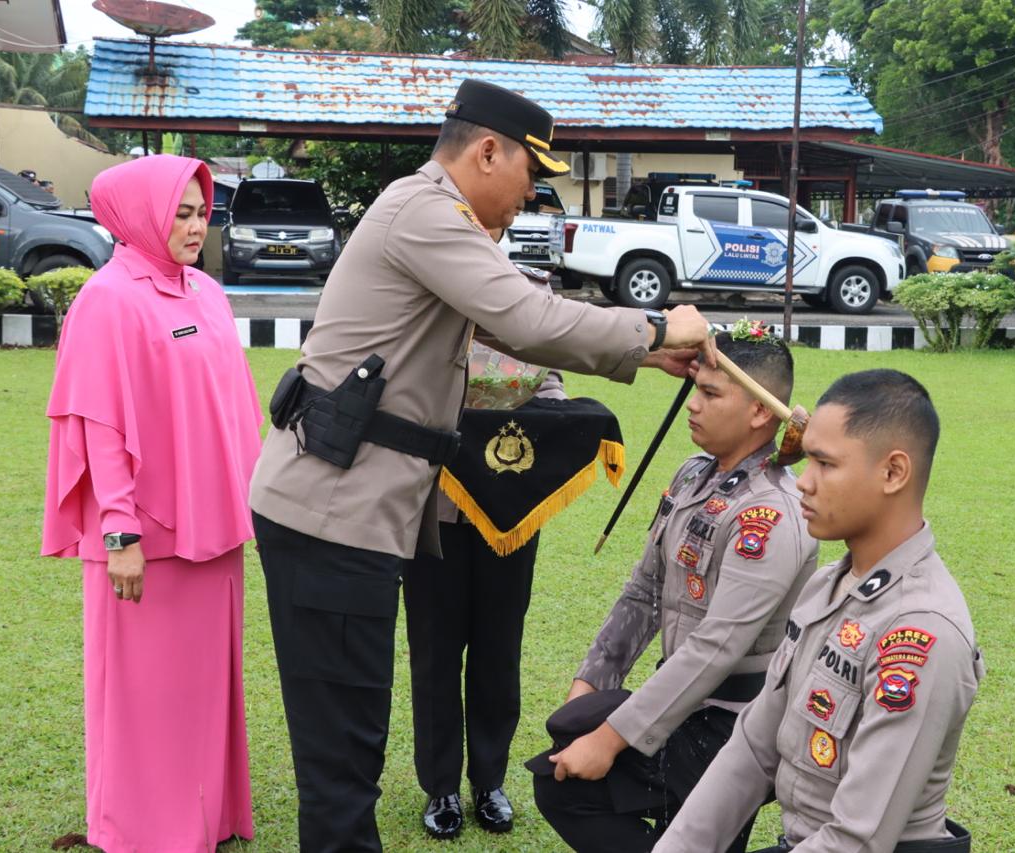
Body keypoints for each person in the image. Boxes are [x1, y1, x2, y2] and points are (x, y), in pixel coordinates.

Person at [249, 78, 717, 852]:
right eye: (530, 177)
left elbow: (524, 335)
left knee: (352, 747)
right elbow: (527, 319)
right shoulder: (425, 211)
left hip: (352, 514)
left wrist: (651, 349)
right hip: (331, 518)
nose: (530, 197)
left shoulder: (435, 217)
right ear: (487, 150)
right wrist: (657, 322)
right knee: (341, 762)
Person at [652, 369, 985, 853]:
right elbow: (752, 748)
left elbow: (858, 839)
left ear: (893, 472)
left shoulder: (920, 632)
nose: (803, 483)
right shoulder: (827, 586)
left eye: (825, 465)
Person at [41, 154, 260, 852]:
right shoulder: (109, 298)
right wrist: (118, 534)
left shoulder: (206, 292)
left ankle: (207, 816)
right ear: (139, 216)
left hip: (214, 531)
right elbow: (99, 426)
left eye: (203, 213)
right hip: (149, 539)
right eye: (181, 213)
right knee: (144, 695)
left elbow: (232, 406)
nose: (196, 227)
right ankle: (139, 828)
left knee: (201, 688)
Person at [530, 328, 819, 853]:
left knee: (565, 787)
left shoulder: (770, 515)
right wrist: (593, 683)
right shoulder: (694, 475)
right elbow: (645, 589)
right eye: (696, 390)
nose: (693, 405)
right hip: (682, 700)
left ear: (760, 413)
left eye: (711, 394)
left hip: (735, 725)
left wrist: (611, 736)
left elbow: (718, 646)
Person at [403, 255, 570, 841]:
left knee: (500, 647)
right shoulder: (426, 286)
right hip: (435, 507)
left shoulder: (529, 292)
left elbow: (549, 378)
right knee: (435, 650)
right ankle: (442, 785)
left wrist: (544, 410)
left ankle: (489, 781)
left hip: (508, 508)